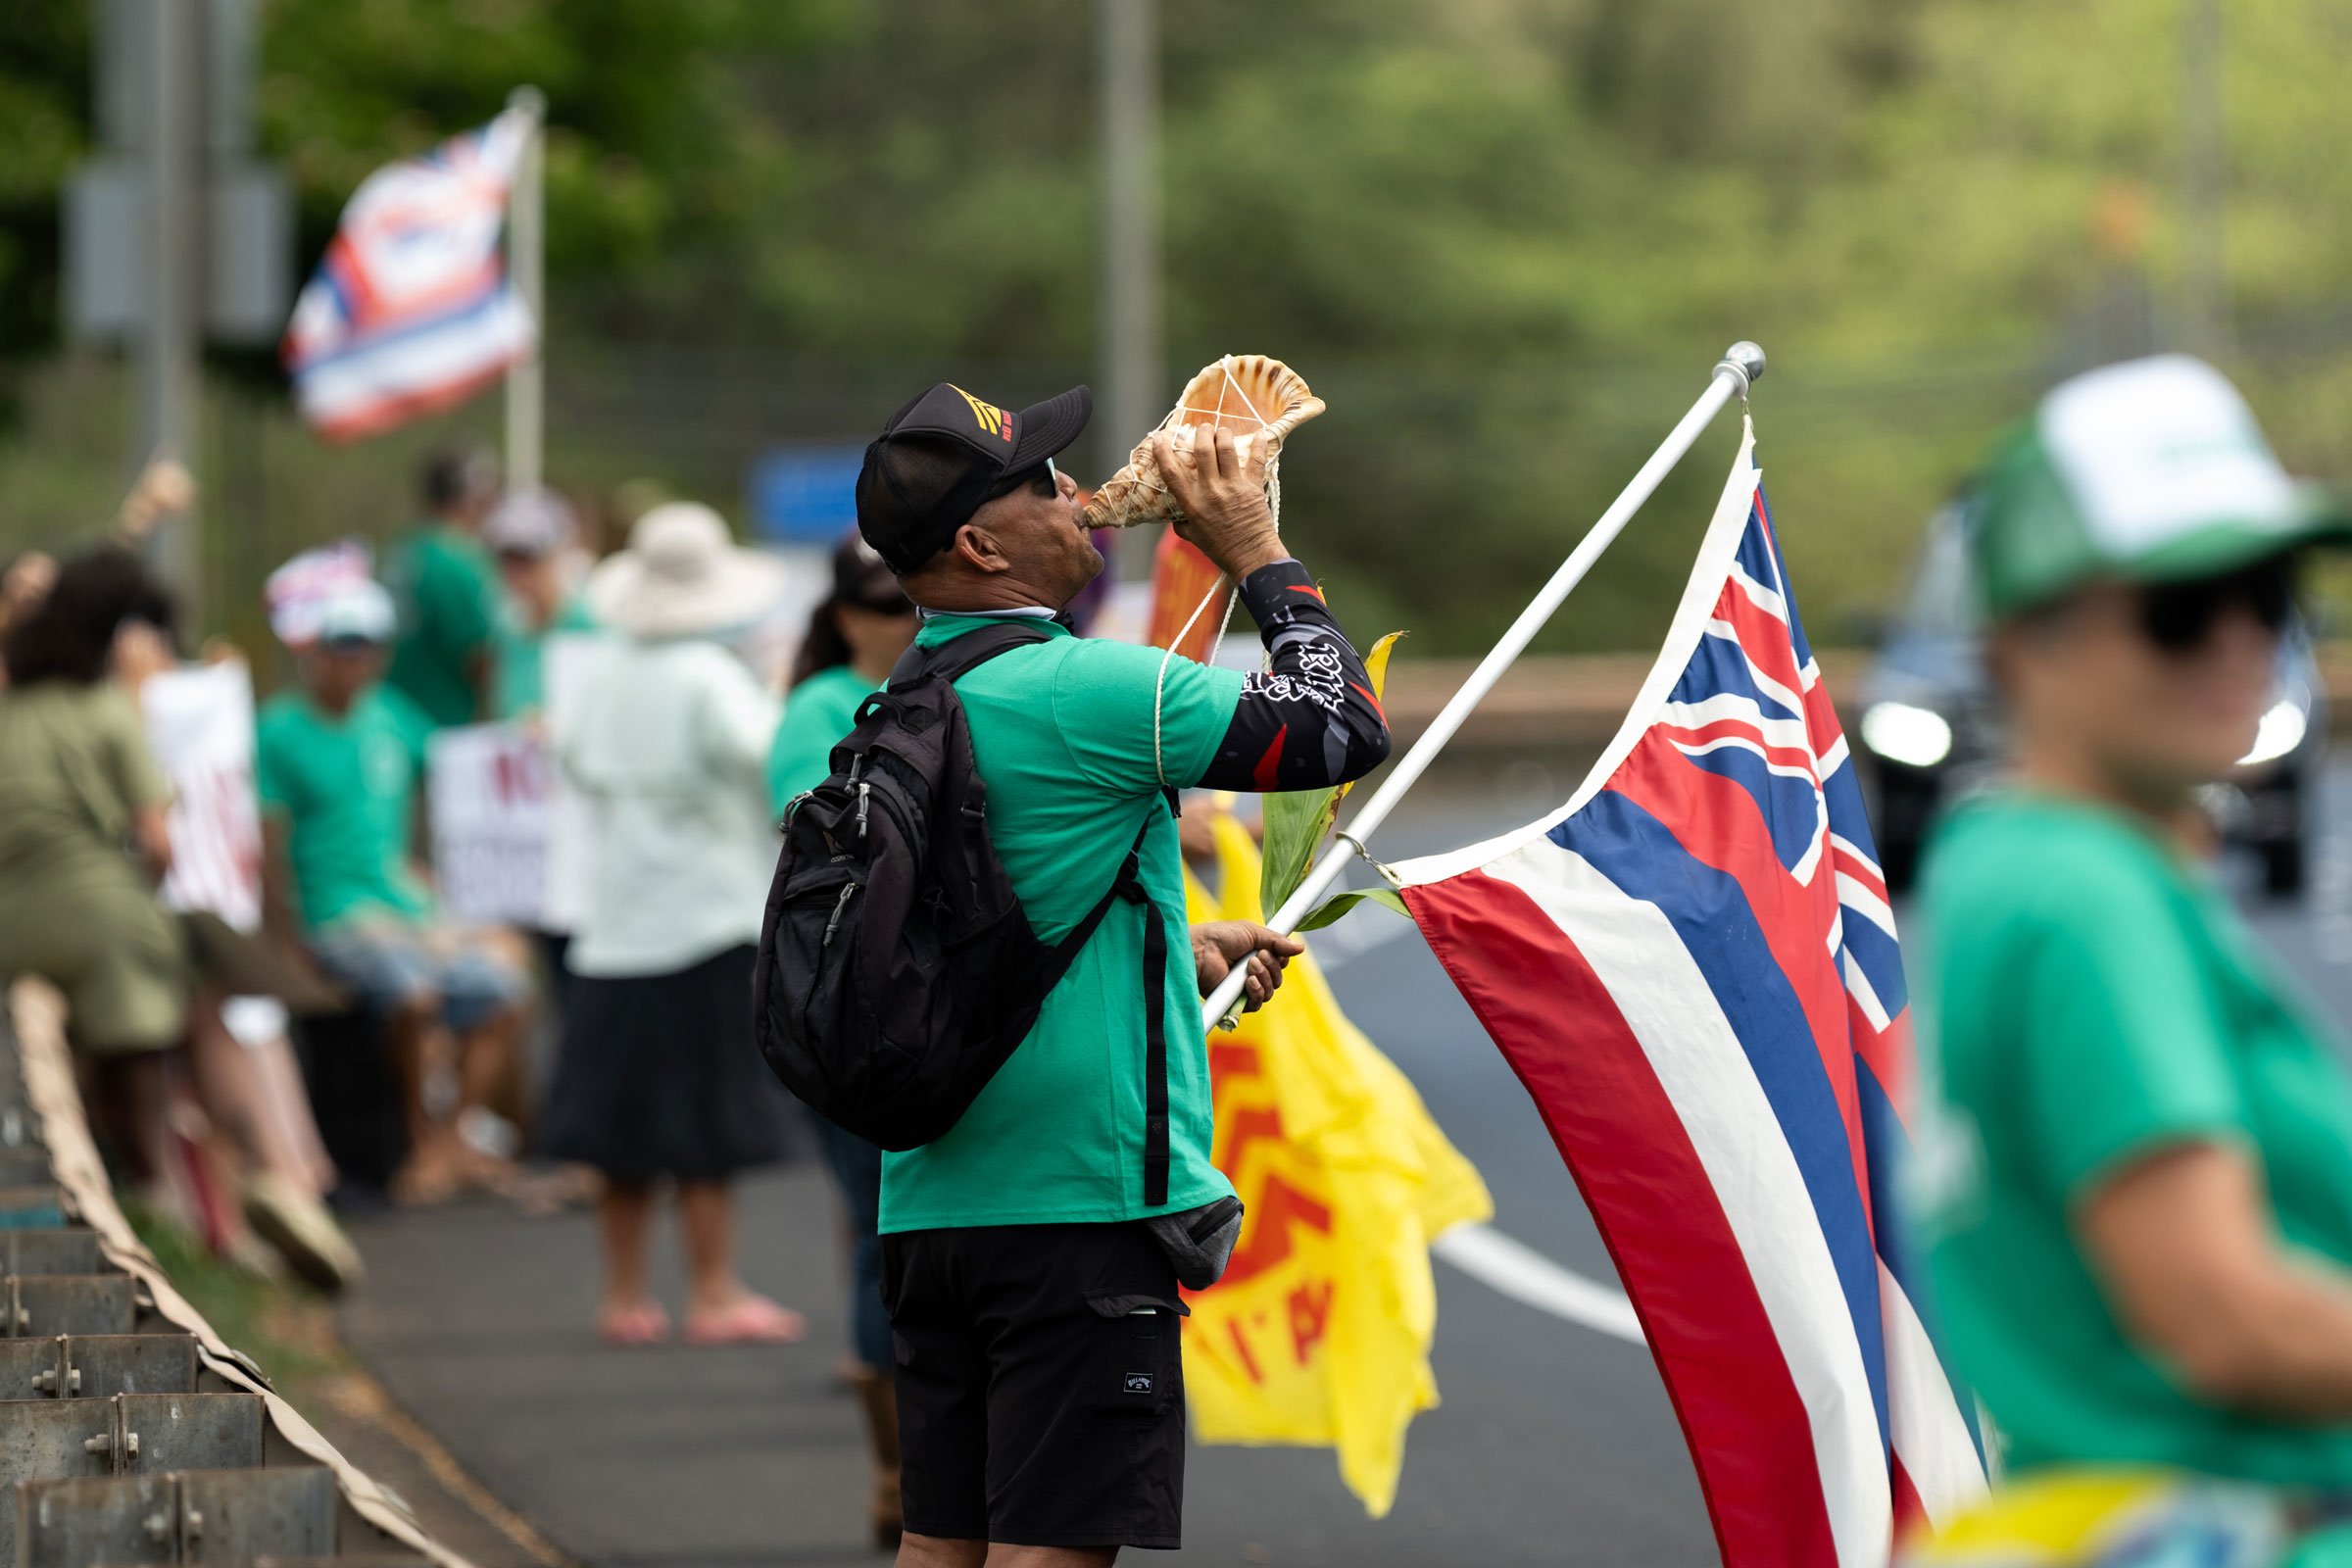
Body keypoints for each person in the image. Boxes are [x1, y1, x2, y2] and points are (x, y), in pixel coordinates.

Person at [852, 381, 1392, 1564]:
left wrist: (1170, 951)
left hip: (935, 1200)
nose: (1071, 496)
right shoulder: (1087, 689)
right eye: (1039, 484)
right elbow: (1338, 726)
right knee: (1056, 1546)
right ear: (982, 545)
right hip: (1079, 1210)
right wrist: (1254, 545)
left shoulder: (903, 700)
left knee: (942, 1543)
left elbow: (993, 927)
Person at [1915, 356, 2352, 1556]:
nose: (2237, 643)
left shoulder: (2010, 862)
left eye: (2267, 593)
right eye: (2176, 608)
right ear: (2021, 645)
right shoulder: (2082, 896)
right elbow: (2224, 1316)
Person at [543, 502, 807, 1348]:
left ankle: (623, 1295)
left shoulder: (602, 672)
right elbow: (768, 753)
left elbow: (573, 757)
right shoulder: (710, 674)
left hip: (614, 924)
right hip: (705, 916)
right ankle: (713, 1289)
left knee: (620, 1123)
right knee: (707, 1119)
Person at [256, 578, 529, 1205]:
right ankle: (421, 1139)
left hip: (403, 905)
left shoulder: (389, 713)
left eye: (369, 645)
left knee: (507, 991)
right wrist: (285, 937)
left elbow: (465, 772)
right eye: (343, 645)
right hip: (335, 912)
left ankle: (451, 1138)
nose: (357, 660)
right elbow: (268, 846)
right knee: (413, 995)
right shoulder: (278, 730)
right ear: (313, 648)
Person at [764, 528, 922, 1545]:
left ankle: (929, 1466)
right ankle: (894, 1470)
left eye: (913, 598)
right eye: (884, 601)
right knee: (880, 1232)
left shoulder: (943, 689)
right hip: (843, 996)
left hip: (928, 992)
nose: (904, 618)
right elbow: (798, 808)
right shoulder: (821, 707)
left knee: (906, 1230)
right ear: (846, 615)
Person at [384, 449, 502, 729]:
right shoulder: (456, 564)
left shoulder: (403, 552)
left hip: (391, 716)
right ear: (467, 499)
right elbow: (478, 658)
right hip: (438, 723)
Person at [483, 485, 596, 724]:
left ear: (558, 554)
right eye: (506, 560)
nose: (515, 574)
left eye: (526, 560)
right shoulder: (506, 625)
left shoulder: (589, 626)